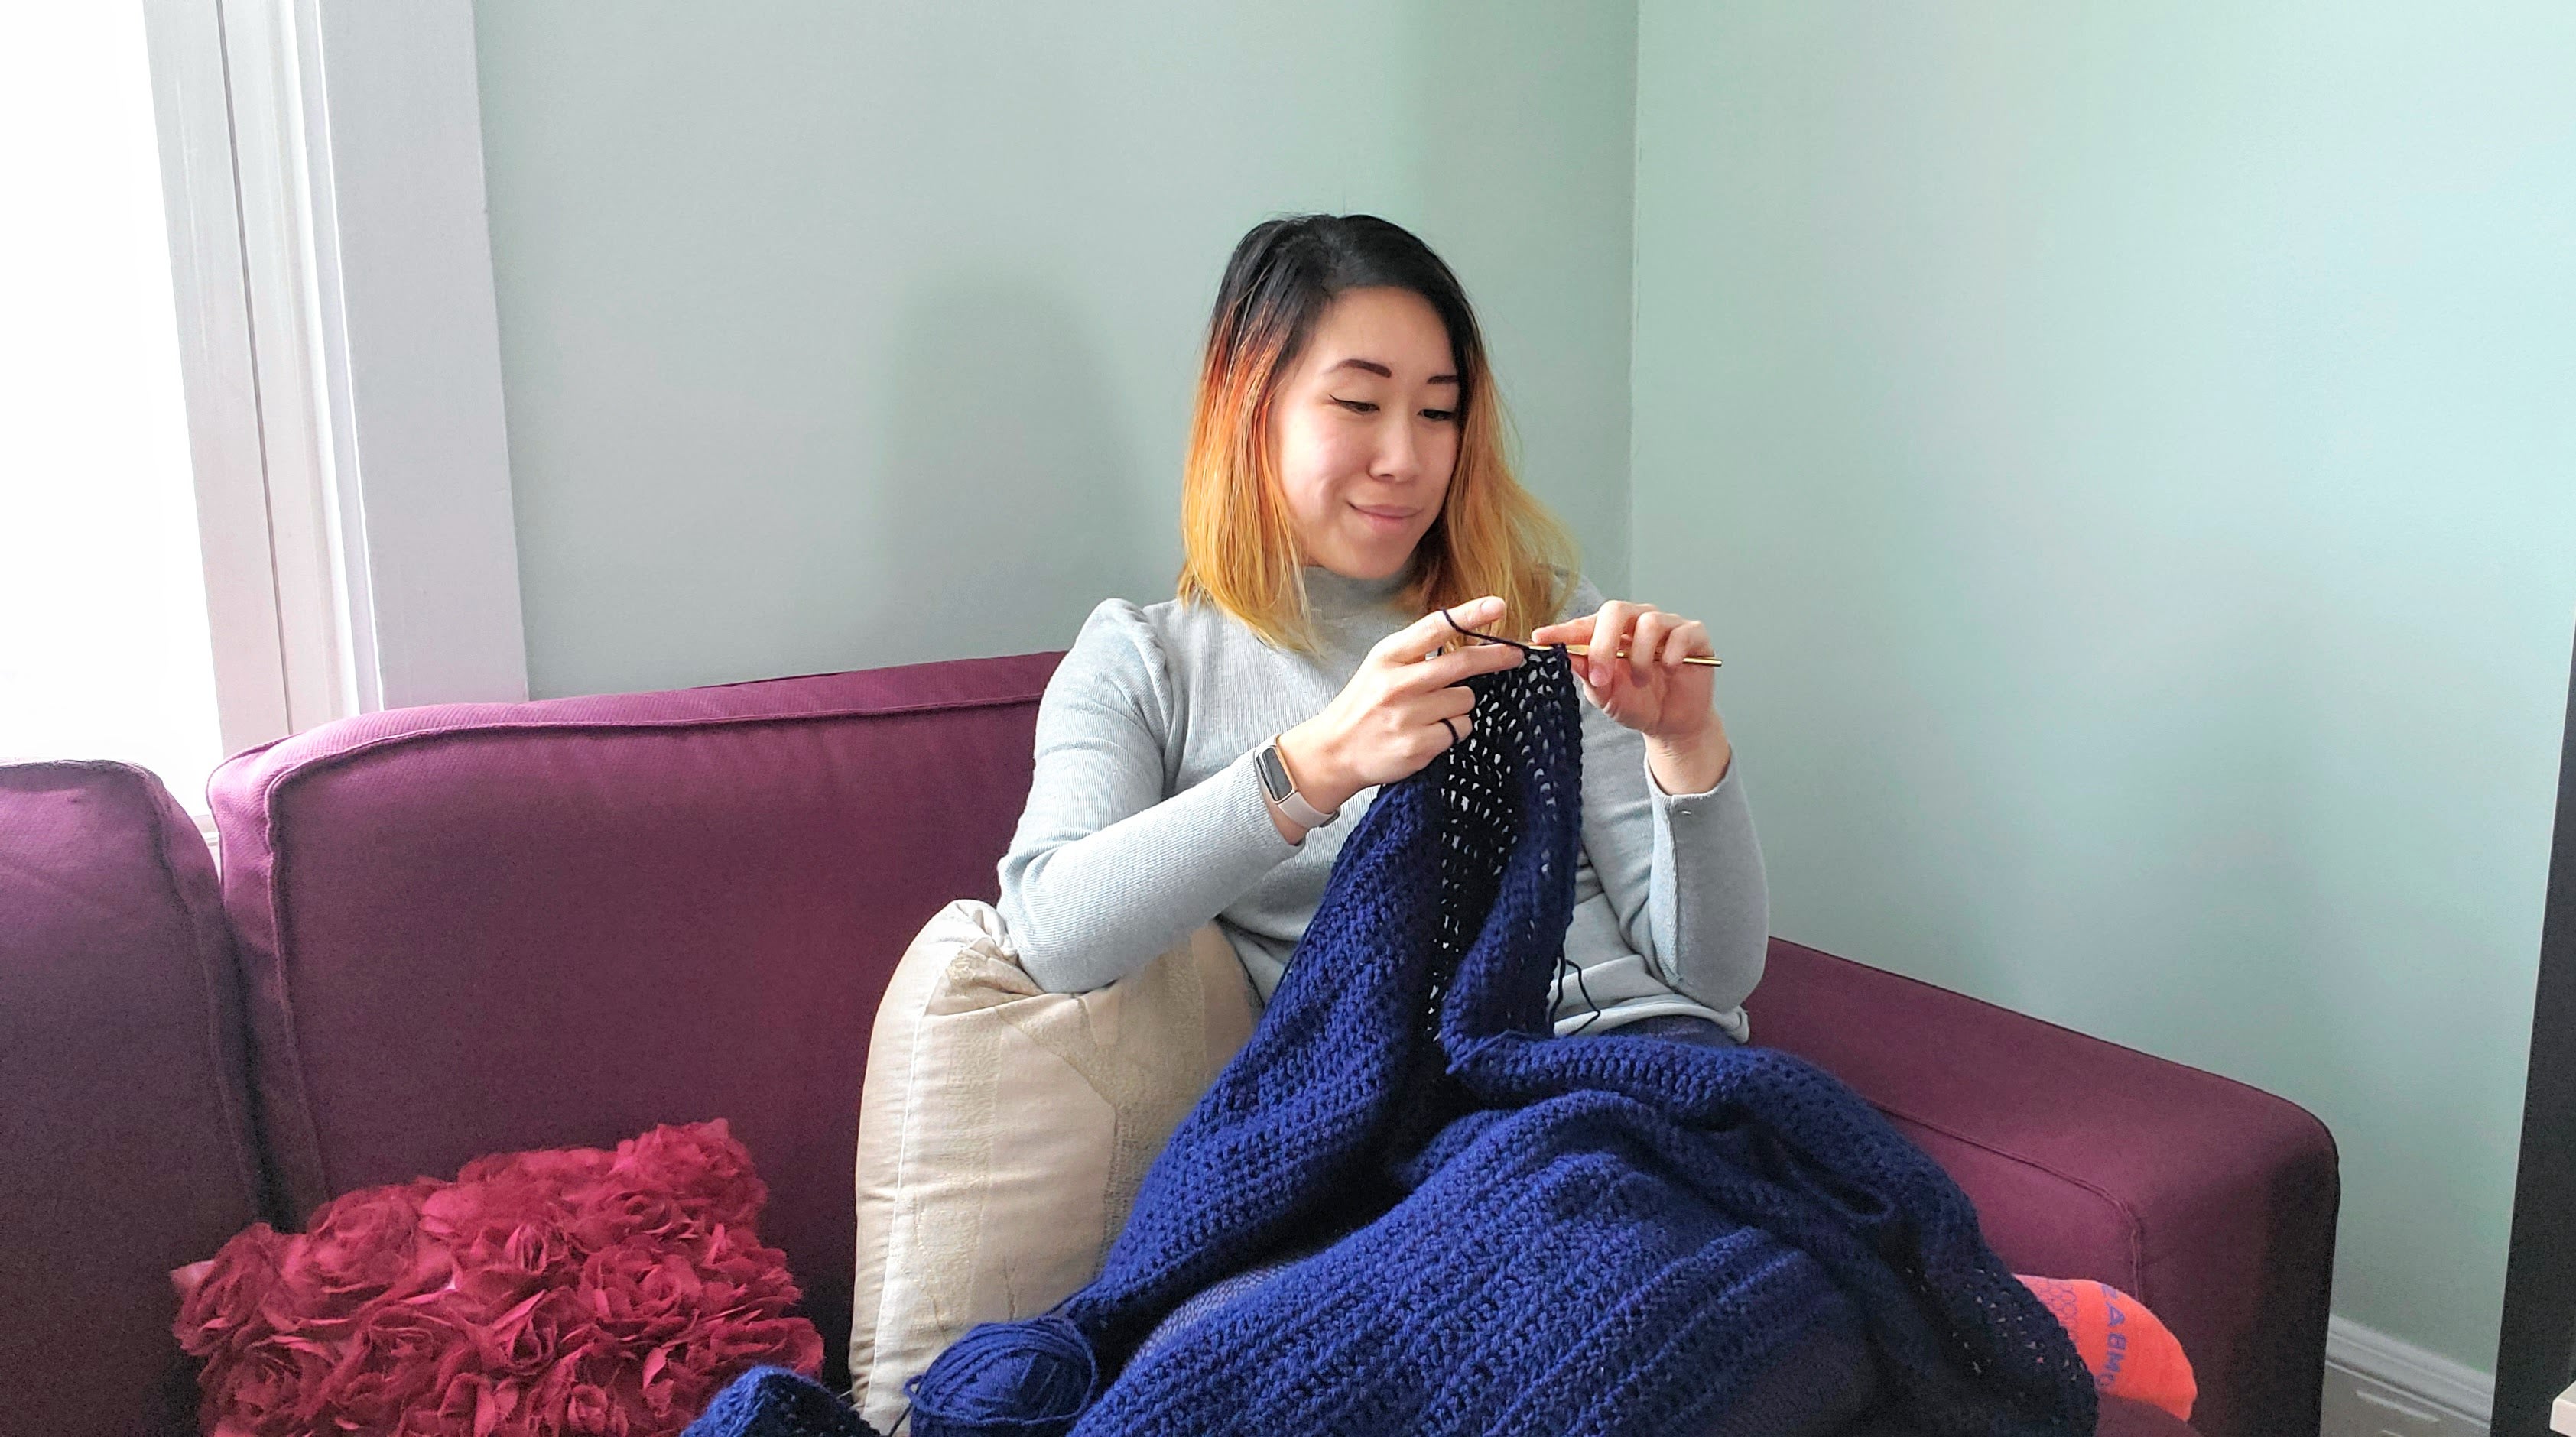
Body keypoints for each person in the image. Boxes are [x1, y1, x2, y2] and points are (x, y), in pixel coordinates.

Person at [996, 212, 1766, 1044]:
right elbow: (1050, 934)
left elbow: (1712, 975)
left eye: (1439, 412)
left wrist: (1688, 746)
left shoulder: (1543, 613)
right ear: (1251, 409)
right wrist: (1317, 764)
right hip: (1427, 1112)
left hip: (1654, 1062)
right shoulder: (1145, 664)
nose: (1406, 456)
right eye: (1359, 403)